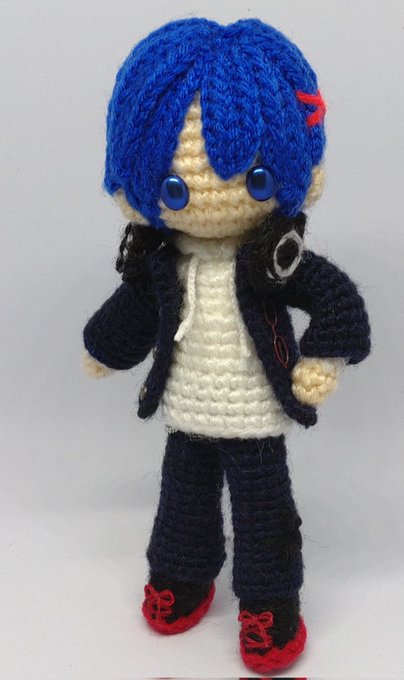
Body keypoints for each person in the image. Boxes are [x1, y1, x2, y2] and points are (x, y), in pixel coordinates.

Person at [83, 18, 371, 673]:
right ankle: (183, 575)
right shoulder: (163, 262)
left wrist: (322, 358)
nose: (208, 201)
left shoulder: (276, 259)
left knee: (264, 508)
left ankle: (270, 600)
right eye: (175, 188)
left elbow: (336, 302)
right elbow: (135, 311)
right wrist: (105, 349)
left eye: (256, 180)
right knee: (180, 501)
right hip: (188, 409)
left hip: (254, 414)